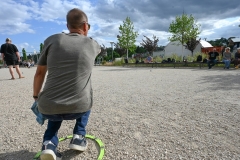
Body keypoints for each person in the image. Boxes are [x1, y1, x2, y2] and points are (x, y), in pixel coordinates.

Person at [33, 8, 100, 160]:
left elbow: (39, 73)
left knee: (54, 109)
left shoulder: (51, 40)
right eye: (87, 27)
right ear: (85, 26)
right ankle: (78, 135)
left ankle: (49, 144)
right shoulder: (92, 44)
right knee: (86, 93)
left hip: (48, 107)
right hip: (79, 107)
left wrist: (36, 97)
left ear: (67, 25)